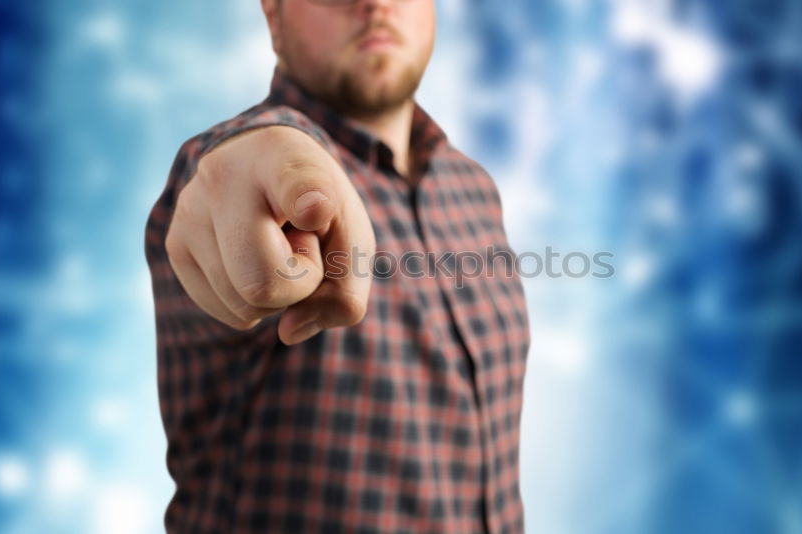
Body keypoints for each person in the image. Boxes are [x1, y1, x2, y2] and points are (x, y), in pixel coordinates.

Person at [144, 0, 531, 531]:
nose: (374, 4)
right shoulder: (230, 172)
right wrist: (263, 164)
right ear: (273, 18)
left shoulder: (473, 186)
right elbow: (240, 167)